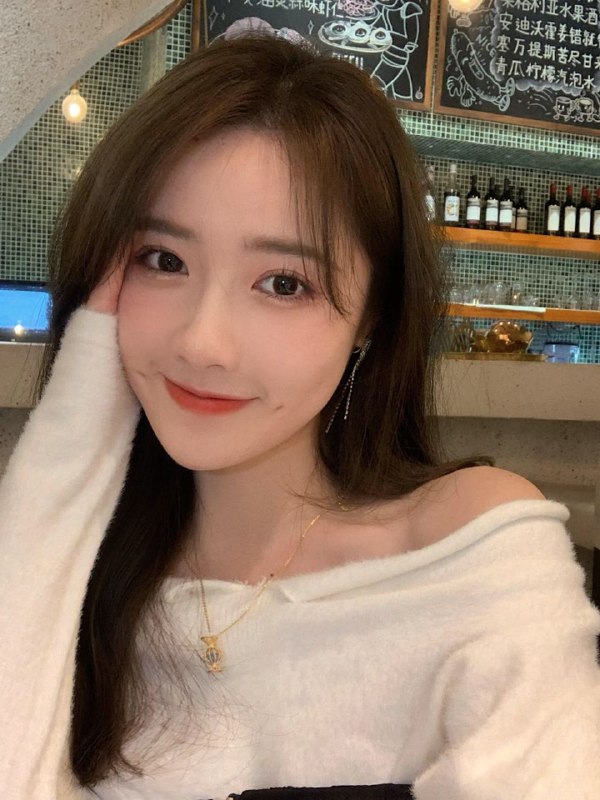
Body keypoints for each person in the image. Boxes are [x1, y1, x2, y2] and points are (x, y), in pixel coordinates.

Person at [1, 33, 599, 800]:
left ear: (372, 315)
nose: (203, 342)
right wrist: (76, 420)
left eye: (284, 283)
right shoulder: (80, 578)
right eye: (163, 260)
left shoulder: (465, 556)